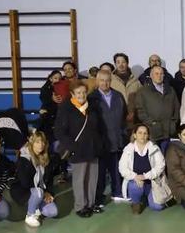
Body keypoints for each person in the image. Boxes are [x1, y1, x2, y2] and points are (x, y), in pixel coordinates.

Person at [54, 80, 104, 218]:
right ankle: (80, 207)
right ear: (72, 94)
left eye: (83, 92)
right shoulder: (66, 108)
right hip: (77, 149)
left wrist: (99, 144)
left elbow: (99, 127)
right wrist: (71, 146)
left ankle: (91, 204)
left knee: (92, 178)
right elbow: (59, 131)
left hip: (93, 148)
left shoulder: (92, 106)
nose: (81, 95)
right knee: (80, 179)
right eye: (78, 92)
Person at [89, 70, 127, 205]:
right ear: (97, 81)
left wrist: (123, 134)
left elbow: (124, 116)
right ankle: (98, 198)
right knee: (100, 173)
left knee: (116, 169)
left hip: (117, 139)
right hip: (101, 142)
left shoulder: (118, 96)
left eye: (107, 80)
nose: (105, 83)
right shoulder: (92, 98)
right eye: (102, 80)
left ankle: (117, 192)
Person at [119, 124, 171, 214]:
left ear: (148, 135)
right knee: (134, 186)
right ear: (134, 135)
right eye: (139, 133)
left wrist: (145, 176)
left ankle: (147, 198)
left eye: (145, 133)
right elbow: (122, 168)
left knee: (157, 207)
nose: (142, 136)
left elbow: (161, 165)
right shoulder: (128, 149)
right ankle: (136, 204)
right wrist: (135, 177)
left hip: (152, 182)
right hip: (136, 181)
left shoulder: (154, 148)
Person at [12, 131, 58, 228]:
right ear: (31, 143)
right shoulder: (24, 159)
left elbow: (49, 180)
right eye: (37, 142)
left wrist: (49, 192)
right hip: (23, 192)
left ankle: (36, 206)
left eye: (43, 142)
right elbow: (25, 183)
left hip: (40, 192)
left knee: (53, 212)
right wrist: (42, 192)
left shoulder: (46, 159)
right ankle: (30, 215)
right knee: (38, 192)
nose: (41, 145)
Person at [134, 65, 180, 152]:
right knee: (155, 158)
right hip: (153, 132)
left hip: (169, 131)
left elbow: (176, 107)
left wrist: (173, 122)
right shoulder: (143, 91)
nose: (159, 76)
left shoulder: (170, 90)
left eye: (161, 74)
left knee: (169, 157)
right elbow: (140, 110)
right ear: (151, 76)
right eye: (156, 74)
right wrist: (151, 123)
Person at [110, 53, 141, 123]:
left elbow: (141, 99)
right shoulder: (110, 81)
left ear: (127, 63)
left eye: (123, 62)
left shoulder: (136, 81)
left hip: (133, 118)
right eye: (118, 62)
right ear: (115, 64)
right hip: (116, 118)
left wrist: (134, 112)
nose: (121, 65)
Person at [37, 69, 65, 144]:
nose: (57, 80)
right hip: (47, 114)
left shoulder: (62, 86)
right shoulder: (46, 88)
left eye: (60, 78)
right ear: (50, 78)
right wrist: (51, 97)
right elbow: (43, 97)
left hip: (57, 114)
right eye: (55, 78)